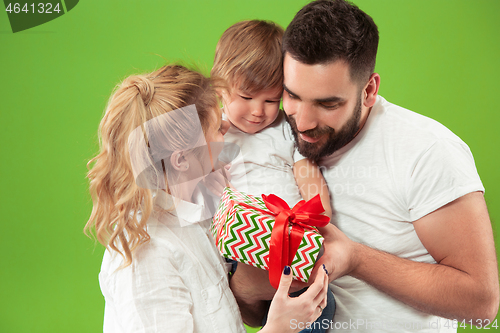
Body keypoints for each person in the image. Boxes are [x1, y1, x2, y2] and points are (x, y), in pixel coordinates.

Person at [278, 0, 499, 332]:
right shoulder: (277, 132)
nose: (304, 122)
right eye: (292, 95)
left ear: (368, 90)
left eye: (328, 103)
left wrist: (356, 259)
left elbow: (481, 303)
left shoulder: (428, 151)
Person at [84, 64, 329, 333]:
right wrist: (277, 329)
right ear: (181, 160)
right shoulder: (147, 256)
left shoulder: (199, 213)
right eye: (216, 127)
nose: (227, 125)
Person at [211, 20, 336, 332]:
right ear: (220, 87)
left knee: (316, 307)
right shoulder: (214, 131)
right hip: (242, 250)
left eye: (270, 100)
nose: (258, 110)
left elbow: (309, 178)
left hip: (293, 245)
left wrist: (318, 219)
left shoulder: (285, 129)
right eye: (246, 96)